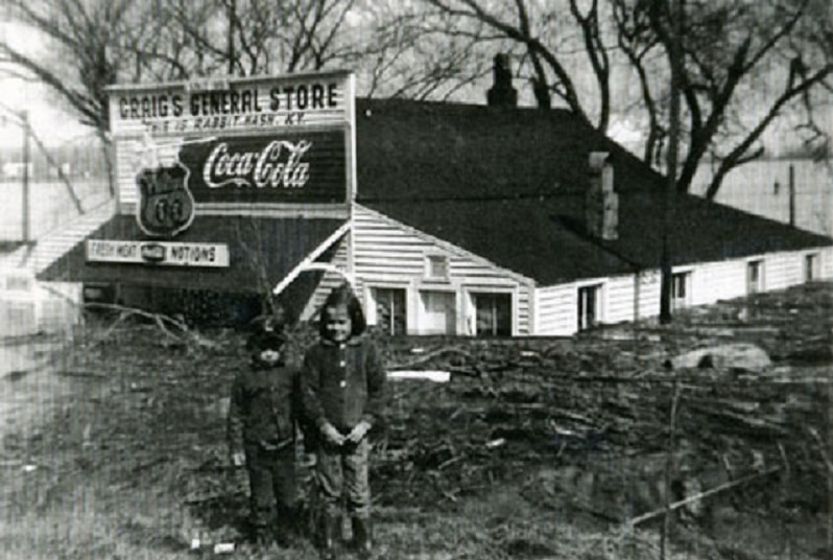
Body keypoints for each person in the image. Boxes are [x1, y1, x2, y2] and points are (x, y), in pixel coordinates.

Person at [301, 284, 387, 559]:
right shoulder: (316, 354)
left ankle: (364, 541)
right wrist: (322, 425)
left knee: (359, 489)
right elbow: (308, 394)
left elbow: (380, 390)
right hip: (328, 435)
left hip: (357, 435)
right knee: (329, 489)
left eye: (342, 322)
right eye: (330, 322)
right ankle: (330, 540)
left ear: (354, 321)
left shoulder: (366, 351)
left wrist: (366, 423)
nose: (336, 328)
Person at [227, 325, 300, 547]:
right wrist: (236, 448)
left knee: (288, 495)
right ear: (253, 349)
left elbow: (301, 408)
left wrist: (310, 443)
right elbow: (236, 414)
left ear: (281, 349)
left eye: (274, 348)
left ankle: (287, 531)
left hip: (285, 444)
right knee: (261, 495)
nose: (269, 353)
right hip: (256, 446)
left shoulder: (290, 374)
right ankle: (262, 535)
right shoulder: (244, 377)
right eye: (263, 348)